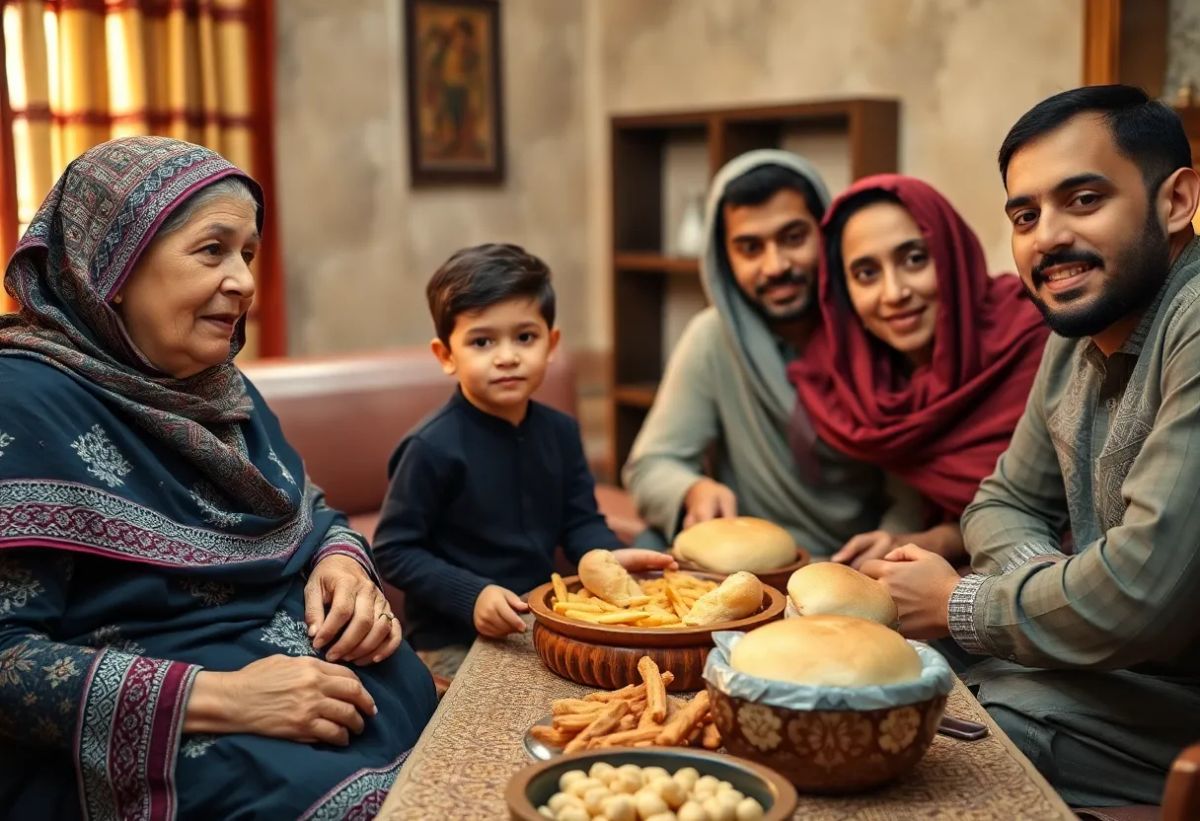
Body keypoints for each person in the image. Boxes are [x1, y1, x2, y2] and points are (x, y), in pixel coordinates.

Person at [0, 136, 437, 819]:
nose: (244, 281)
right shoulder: (21, 400)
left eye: (249, 254)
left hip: (317, 700)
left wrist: (344, 566)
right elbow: (6, 661)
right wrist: (230, 697)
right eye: (213, 250)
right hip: (159, 746)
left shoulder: (218, 390)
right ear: (114, 266)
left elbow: (307, 510)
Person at [859, 85, 1200, 807]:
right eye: (1025, 213)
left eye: (1083, 199)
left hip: (1177, 703)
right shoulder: (1072, 334)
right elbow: (1004, 498)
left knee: (939, 731)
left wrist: (962, 601)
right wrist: (1038, 575)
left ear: (1176, 202)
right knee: (887, 680)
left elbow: (1142, 592)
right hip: (1121, 673)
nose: (1046, 237)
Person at [371, 243, 672, 678]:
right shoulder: (430, 446)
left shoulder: (561, 432)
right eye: (482, 341)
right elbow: (395, 550)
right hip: (453, 639)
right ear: (446, 356)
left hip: (541, 623)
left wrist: (605, 557)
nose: (507, 356)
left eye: (525, 337)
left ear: (551, 344)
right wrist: (472, 595)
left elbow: (579, 521)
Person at [623, 149, 917, 555]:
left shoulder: (879, 324)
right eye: (749, 248)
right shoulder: (713, 337)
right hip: (744, 564)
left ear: (826, 233)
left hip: (848, 562)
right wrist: (693, 490)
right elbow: (651, 466)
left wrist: (894, 540)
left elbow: (917, 478)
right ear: (725, 259)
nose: (775, 265)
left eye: (793, 238)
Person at [790, 175, 1048, 569]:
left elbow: (1051, 504)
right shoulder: (863, 377)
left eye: (914, 259)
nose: (894, 293)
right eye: (866, 274)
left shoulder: (1033, 339)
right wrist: (901, 541)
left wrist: (934, 542)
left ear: (951, 254)